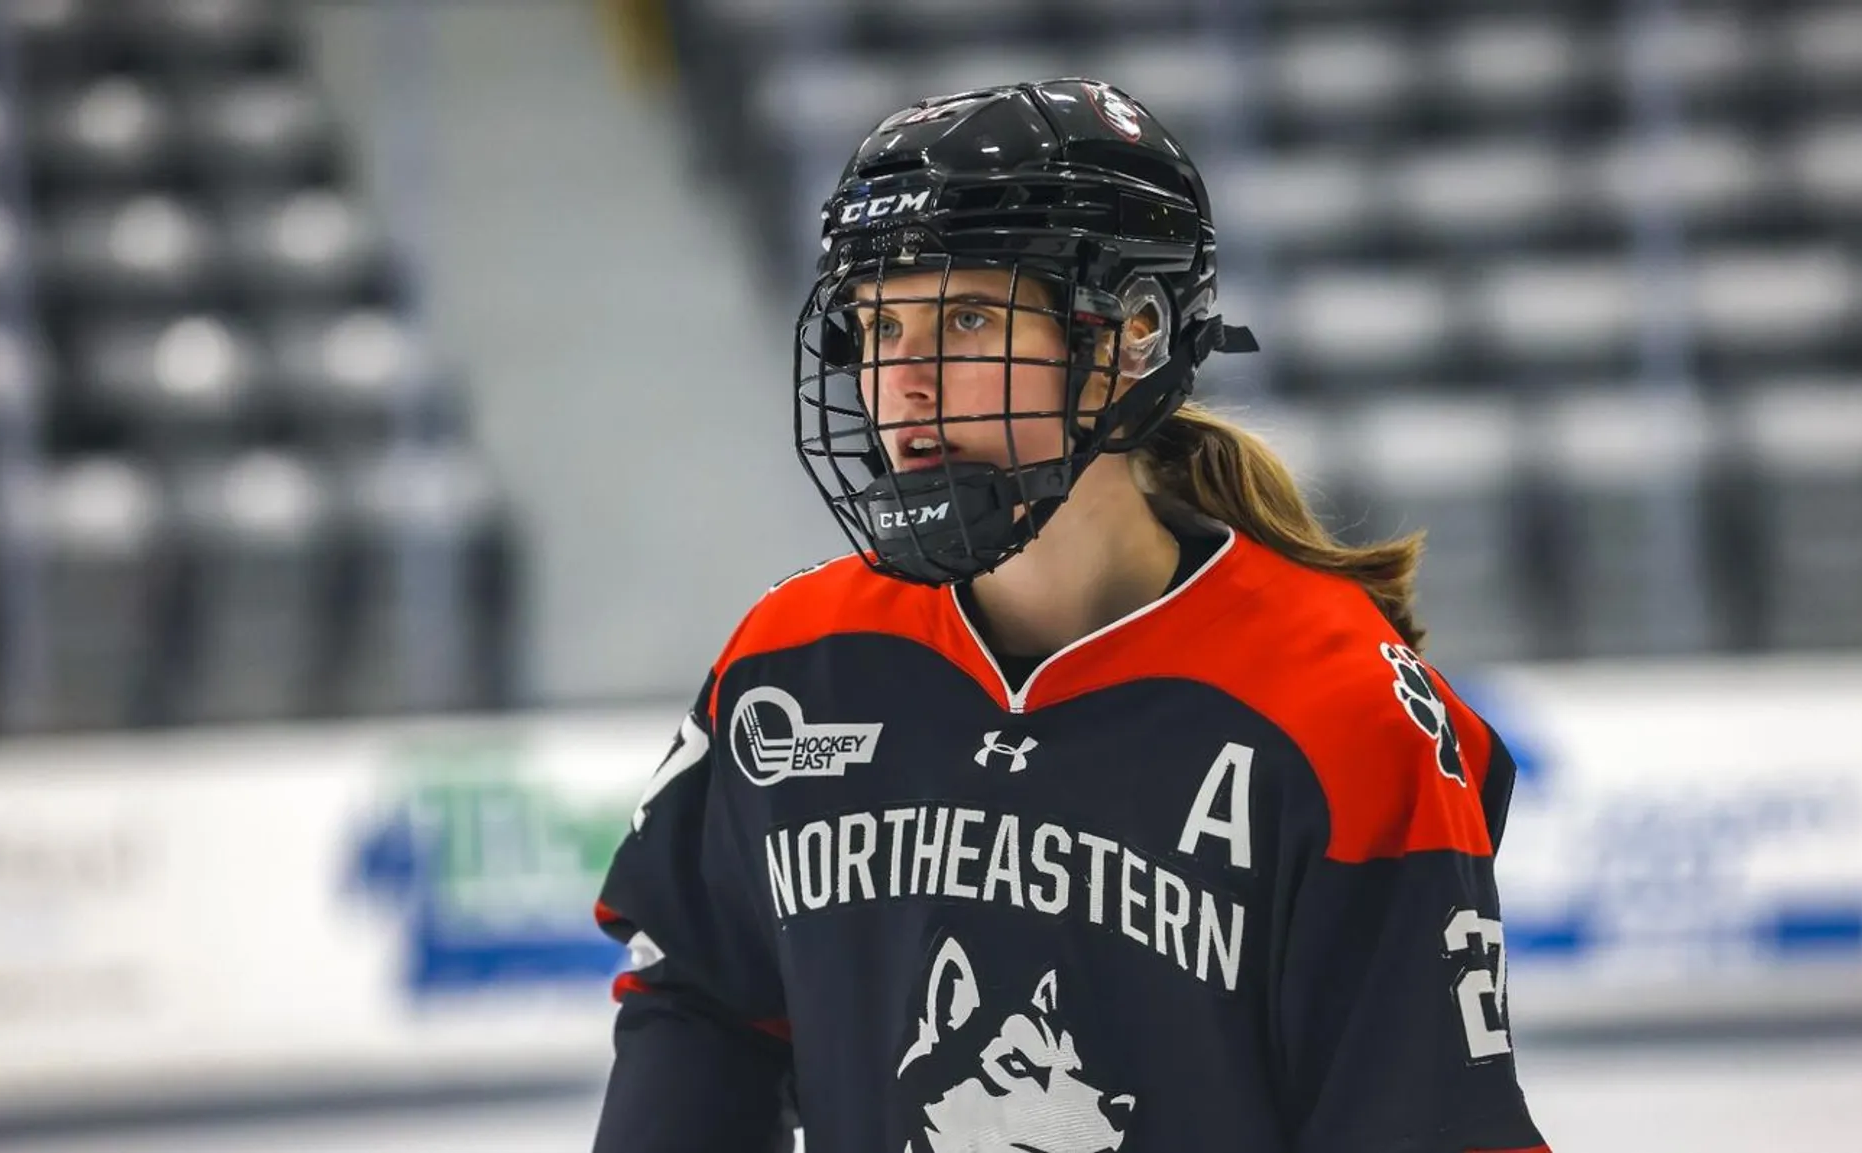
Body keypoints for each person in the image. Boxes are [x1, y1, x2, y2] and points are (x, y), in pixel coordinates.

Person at [591, 78, 1549, 1153]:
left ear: (1126, 335)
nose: (897, 381)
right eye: (872, 324)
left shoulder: (1335, 702)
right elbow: (705, 1002)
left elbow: (1423, 1118)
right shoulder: (795, 662)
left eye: (962, 316)